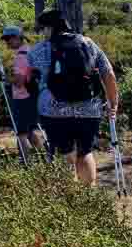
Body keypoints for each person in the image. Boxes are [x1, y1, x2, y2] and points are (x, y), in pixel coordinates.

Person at [28, 10, 119, 186]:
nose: (42, 32)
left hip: (53, 111)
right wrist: (113, 102)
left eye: (43, 28)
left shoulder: (38, 50)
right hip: (88, 109)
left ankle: (70, 196)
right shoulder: (88, 43)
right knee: (85, 152)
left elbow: (29, 79)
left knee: (64, 153)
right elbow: (108, 74)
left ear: (49, 28)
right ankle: (88, 193)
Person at [2, 25, 44, 152]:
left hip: (22, 98)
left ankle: (25, 161)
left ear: (18, 38)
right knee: (31, 130)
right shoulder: (30, 52)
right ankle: (44, 156)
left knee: (21, 133)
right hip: (33, 96)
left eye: (8, 38)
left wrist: (7, 80)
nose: (7, 42)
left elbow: (19, 82)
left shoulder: (20, 57)